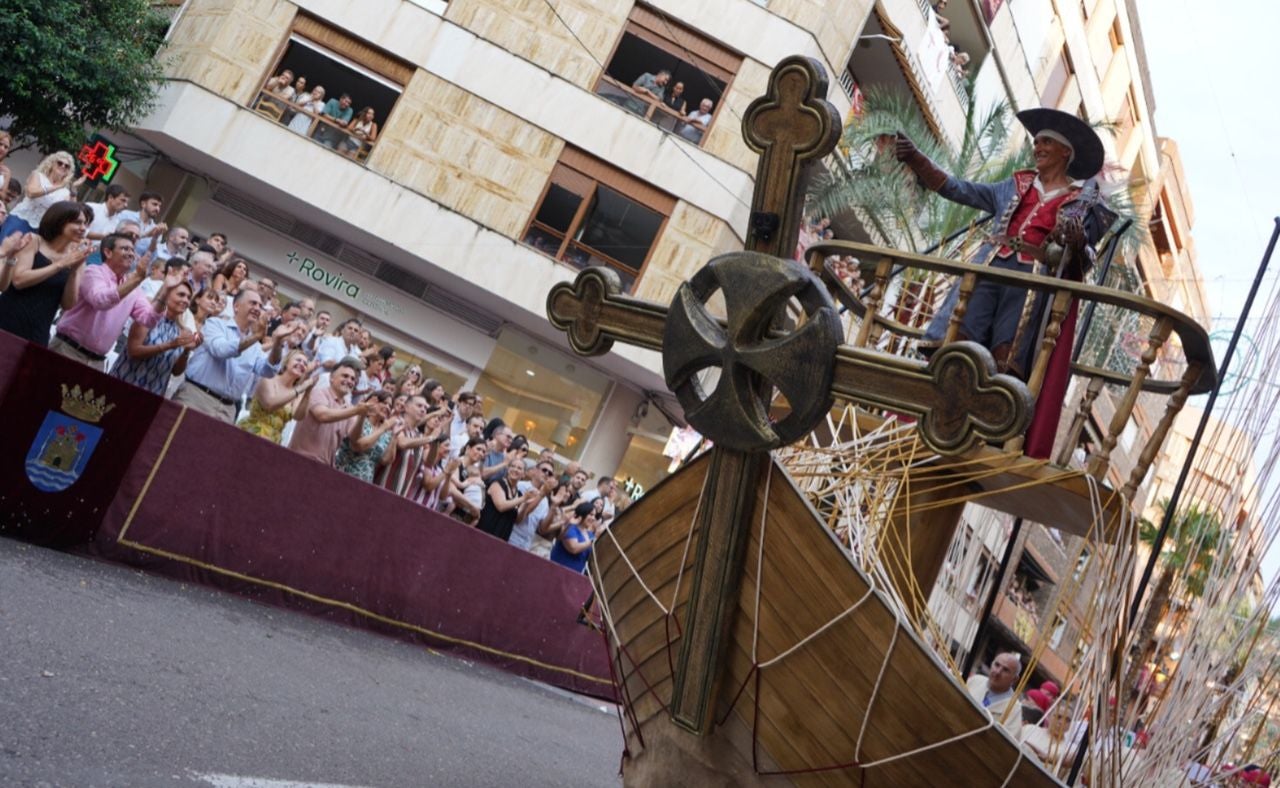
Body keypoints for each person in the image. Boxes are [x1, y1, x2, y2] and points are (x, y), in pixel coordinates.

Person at [897, 108, 1115, 459]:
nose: (1037, 147)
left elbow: (1086, 256)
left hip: (1029, 286)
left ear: (1065, 152)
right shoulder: (1016, 184)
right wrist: (917, 159)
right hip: (988, 270)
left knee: (1005, 361)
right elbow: (958, 189)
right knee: (957, 343)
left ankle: (984, 432)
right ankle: (935, 413)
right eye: (1036, 141)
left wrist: (1076, 240)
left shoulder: (1083, 202)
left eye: (1046, 142)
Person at [51, 233, 185, 369]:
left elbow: (148, 319)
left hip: (97, 362)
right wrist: (136, 279)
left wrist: (166, 290)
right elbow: (100, 301)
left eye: (132, 250)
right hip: (67, 350)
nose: (131, 254)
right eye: (125, 249)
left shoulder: (134, 289)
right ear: (108, 252)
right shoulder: (93, 272)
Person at [173, 289, 293, 423]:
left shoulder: (255, 346)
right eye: (253, 303)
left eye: (260, 306)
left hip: (227, 410)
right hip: (197, 398)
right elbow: (221, 350)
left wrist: (278, 343)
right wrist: (255, 337)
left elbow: (268, 370)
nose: (257, 308)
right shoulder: (215, 324)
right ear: (236, 306)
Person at [0, 202, 93, 345]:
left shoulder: (76, 256)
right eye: (77, 222)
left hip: (38, 331)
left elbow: (68, 304)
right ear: (59, 221)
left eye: (85, 224)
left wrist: (74, 271)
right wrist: (60, 264)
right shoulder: (34, 240)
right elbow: (18, 280)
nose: (83, 228)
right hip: (7, 318)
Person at [110, 281, 200, 395]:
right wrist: (169, 345)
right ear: (167, 295)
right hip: (124, 384)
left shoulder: (183, 331)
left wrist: (186, 351)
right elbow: (133, 351)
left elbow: (176, 372)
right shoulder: (148, 317)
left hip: (153, 394)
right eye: (181, 295)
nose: (186, 300)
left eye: (189, 297)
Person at [289, 357, 366, 465]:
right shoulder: (318, 393)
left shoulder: (349, 408)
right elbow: (322, 415)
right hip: (299, 459)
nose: (349, 381)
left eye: (353, 379)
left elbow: (354, 438)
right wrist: (355, 411)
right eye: (345, 376)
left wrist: (362, 416)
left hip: (325, 467)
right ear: (331, 378)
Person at [240, 349, 318, 443]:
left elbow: (298, 416)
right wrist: (300, 388)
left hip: (273, 441)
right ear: (286, 363)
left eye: (305, 364)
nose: (302, 364)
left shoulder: (297, 392)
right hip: (250, 434)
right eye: (298, 360)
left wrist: (308, 392)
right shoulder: (269, 378)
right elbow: (269, 404)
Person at [1, 152, 85, 239]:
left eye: (67, 166)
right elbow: (31, 193)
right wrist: (57, 186)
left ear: (68, 171)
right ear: (52, 163)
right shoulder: (38, 176)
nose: (63, 166)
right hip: (20, 218)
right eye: (60, 163)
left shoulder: (65, 192)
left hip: (39, 228)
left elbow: (72, 213)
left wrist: (73, 189)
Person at [334, 389, 401, 482]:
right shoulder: (358, 419)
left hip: (364, 481)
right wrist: (382, 429)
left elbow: (385, 460)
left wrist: (394, 436)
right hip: (342, 475)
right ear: (373, 402)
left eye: (390, 406)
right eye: (384, 403)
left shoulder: (385, 431)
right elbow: (358, 446)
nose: (387, 407)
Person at [965, 652, 1024, 737]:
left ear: (1014, 679)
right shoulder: (975, 681)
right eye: (997, 665)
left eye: (1005, 670)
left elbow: (1006, 741)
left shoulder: (1014, 709)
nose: (997, 672)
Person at [510, 459, 561, 553]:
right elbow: (521, 515)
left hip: (526, 545)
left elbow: (542, 529)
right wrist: (542, 494)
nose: (546, 474)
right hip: (511, 537)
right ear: (535, 470)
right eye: (544, 470)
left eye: (550, 473)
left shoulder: (545, 500)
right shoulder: (520, 486)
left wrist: (554, 506)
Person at [550, 501, 599, 574]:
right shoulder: (571, 527)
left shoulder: (590, 535)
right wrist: (591, 542)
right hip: (557, 570)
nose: (593, 518)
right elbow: (573, 548)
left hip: (574, 575)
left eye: (594, 516)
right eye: (591, 514)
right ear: (583, 513)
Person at [451, 436, 489, 523]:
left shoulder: (475, 471)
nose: (481, 453)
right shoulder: (457, 462)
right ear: (468, 448)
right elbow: (452, 491)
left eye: (483, 451)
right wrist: (472, 507)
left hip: (463, 517)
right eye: (478, 449)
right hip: (450, 512)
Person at [119, 191, 167, 256]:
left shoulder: (157, 229)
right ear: (143, 204)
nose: (157, 209)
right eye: (154, 204)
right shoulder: (126, 215)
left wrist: (155, 237)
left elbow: (150, 254)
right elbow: (116, 237)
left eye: (159, 206)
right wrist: (146, 234)